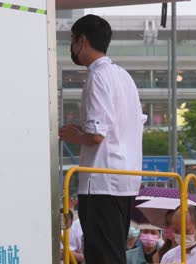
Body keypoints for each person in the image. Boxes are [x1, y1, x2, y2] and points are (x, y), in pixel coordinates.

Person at [58, 14, 146, 264]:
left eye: (72, 41)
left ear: (82, 41)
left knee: (102, 256)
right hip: (125, 181)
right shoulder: (123, 76)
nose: (72, 48)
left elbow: (97, 135)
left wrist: (75, 135)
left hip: (101, 183)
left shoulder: (97, 77)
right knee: (114, 252)